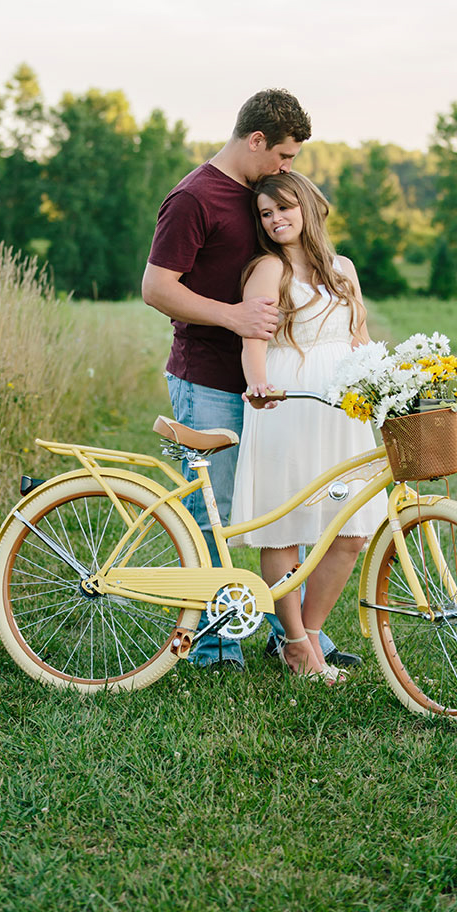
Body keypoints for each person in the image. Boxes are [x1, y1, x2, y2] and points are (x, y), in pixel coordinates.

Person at [142, 90, 355, 672]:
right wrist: (232, 315)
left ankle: (289, 633)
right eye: (284, 156)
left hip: (271, 382)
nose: (290, 168)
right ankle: (212, 643)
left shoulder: (268, 196)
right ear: (256, 140)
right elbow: (156, 288)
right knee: (220, 512)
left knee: (284, 507)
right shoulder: (194, 197)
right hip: (209, 377)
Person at [229, 172, 384, 679]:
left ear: (309, 208)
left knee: (351, 530)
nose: (275, 220)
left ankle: (311, 634)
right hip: (288, 405)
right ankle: (294, 643)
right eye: (266, 214)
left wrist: (389, 385)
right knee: (285, 531)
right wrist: (257, 384)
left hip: (341, 411)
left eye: (284, 208)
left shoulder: (343, 270)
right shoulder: (267, 270)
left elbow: (360, 338)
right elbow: (253, 344)